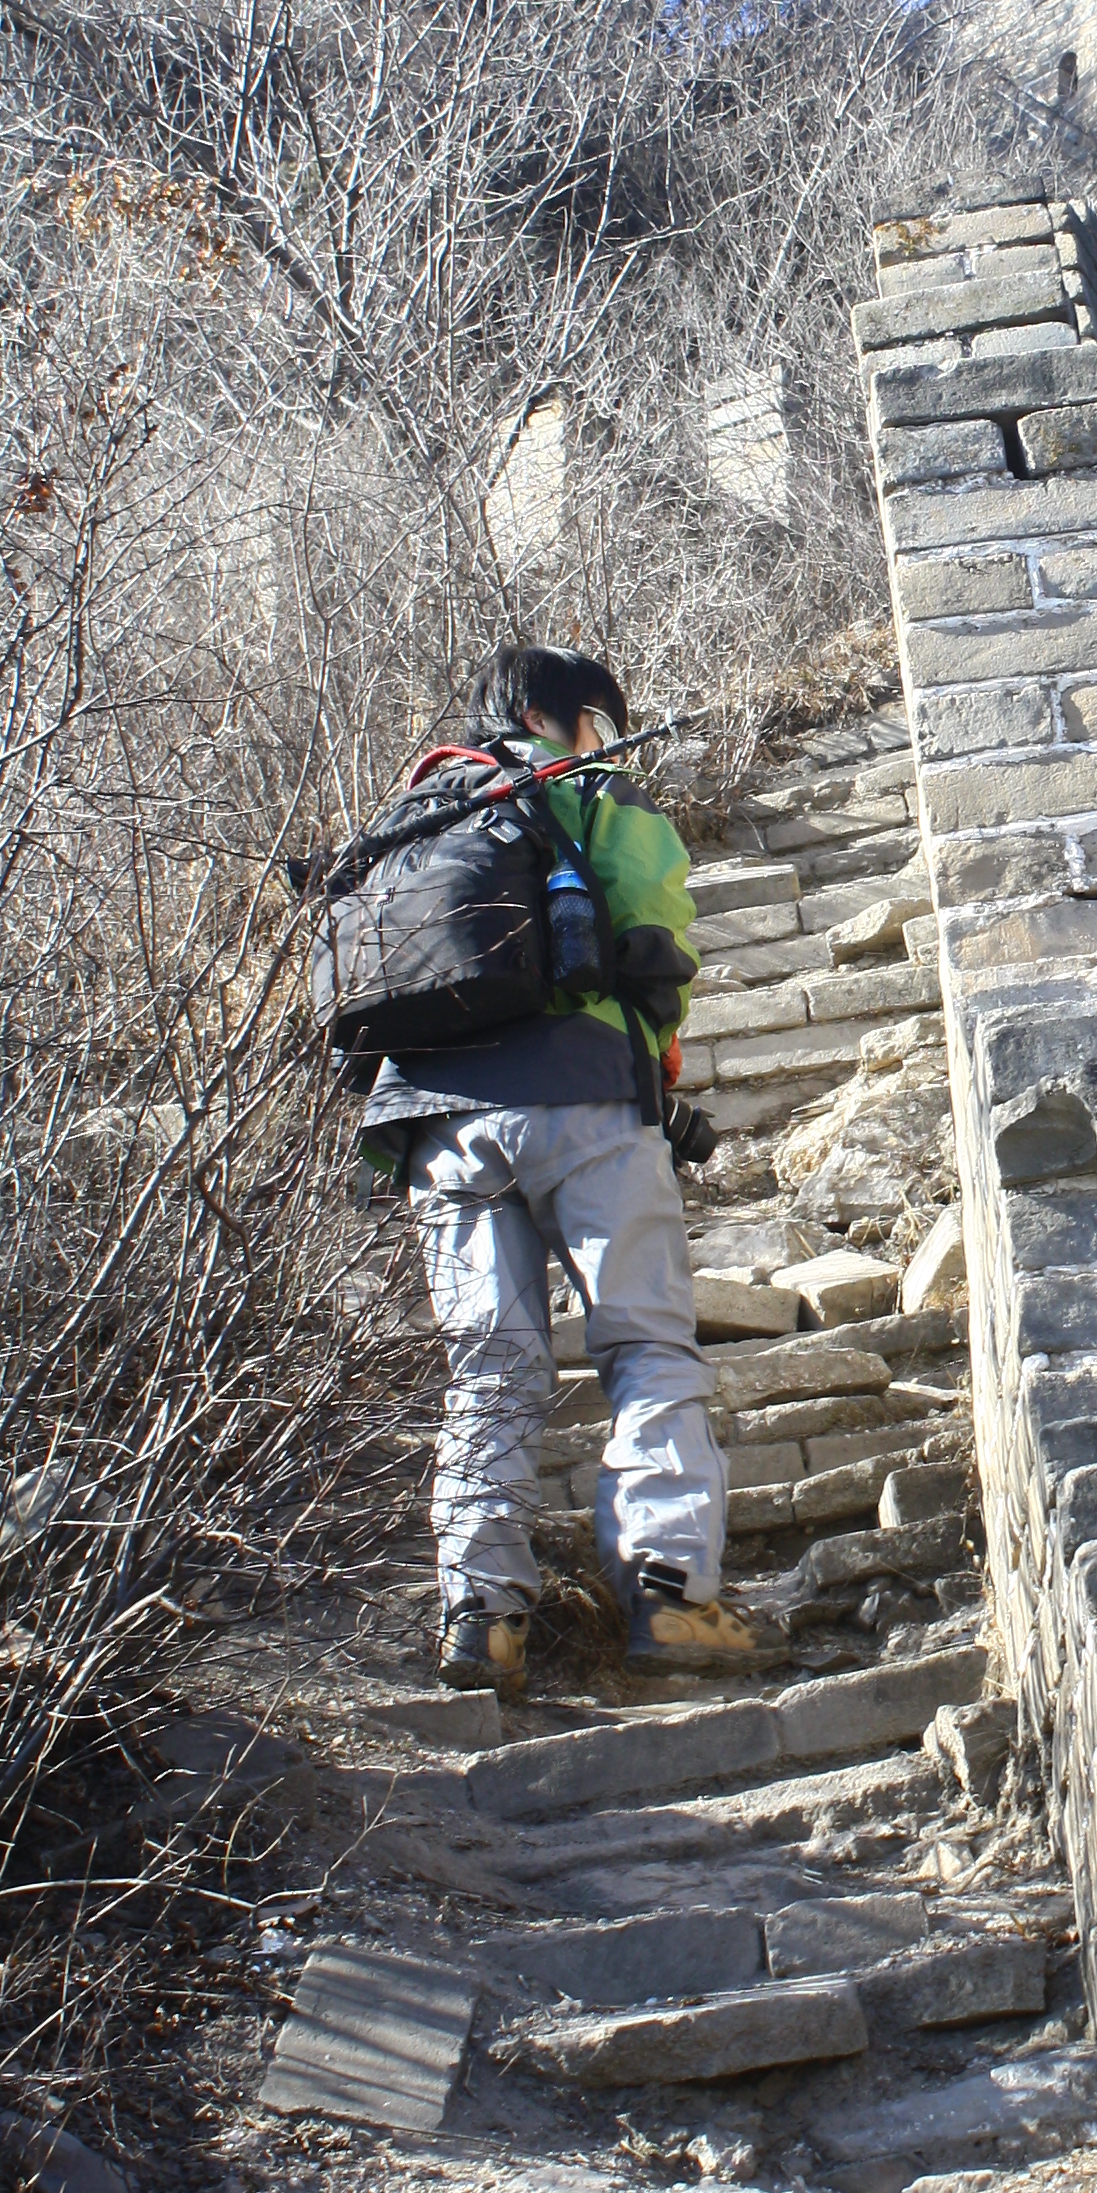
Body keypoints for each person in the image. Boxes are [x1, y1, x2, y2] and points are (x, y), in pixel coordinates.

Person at [360, 643, 769, 1696]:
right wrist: (651, 1062)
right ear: (575, 717)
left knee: (488, 1369)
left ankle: (480, 1616)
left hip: (440, 1128)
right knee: (645, 1346)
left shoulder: (407, 814)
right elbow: (653, 926)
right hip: (582, 1102)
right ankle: (674, 1596)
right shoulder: (582, 788)